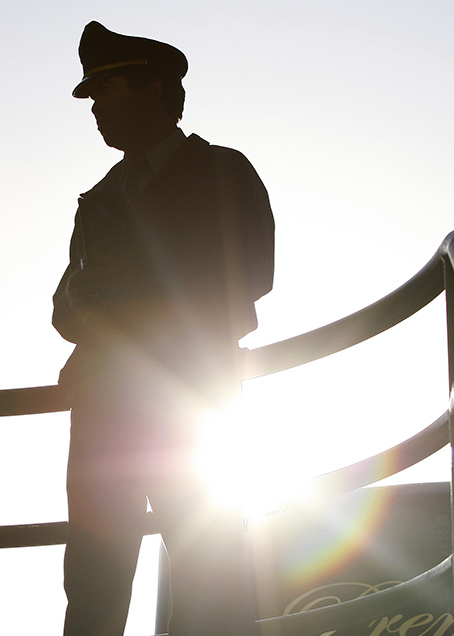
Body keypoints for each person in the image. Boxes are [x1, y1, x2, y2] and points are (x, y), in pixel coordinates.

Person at [52, 21, 274, 636]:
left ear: (155, 90)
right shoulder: (96, 202)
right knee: (94, 586)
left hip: (190, 407)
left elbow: (249, 277)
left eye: (107, 90)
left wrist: (117, 309)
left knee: (213, 578)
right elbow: (63, 307)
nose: (95, 108)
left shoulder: (222, 173)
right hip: (105, 421)